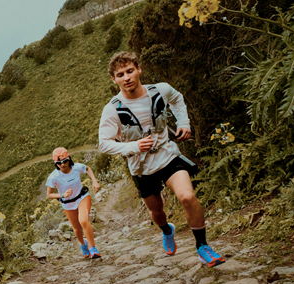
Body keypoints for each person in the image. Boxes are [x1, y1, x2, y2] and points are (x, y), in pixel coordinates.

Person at [98, 51, 225, 268]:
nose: (127, 77)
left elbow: (177, 99)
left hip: (167, 154)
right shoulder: (112, 109)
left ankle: (202, 246)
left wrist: (184, 123)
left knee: (187, 196)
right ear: (114, 79)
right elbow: (104, 143)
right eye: (120, 74)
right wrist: (134, 146)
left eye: (130, 71)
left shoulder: (161, 90)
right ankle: (167, 230)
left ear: (139, 69)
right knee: (156, 211)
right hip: (140, 166)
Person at [46, 147, 102, 259]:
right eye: (59, 163)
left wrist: (95, 182)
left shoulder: (76, 167)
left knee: (84, 221)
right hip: (68, 203)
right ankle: (83, 244)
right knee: (76, 228)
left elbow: (87, 168)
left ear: (69, 158)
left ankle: (93, 248)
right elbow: (49, 195)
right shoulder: (53, 177)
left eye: (65, 161)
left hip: (82, 197)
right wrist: (62, 195)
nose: (62, 165)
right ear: (55, 163)